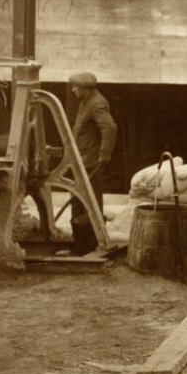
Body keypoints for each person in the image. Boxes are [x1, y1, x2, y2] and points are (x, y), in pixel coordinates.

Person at [68, 71, 116, 255]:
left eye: (76, 87)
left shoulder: (96, 103)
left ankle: (90, 244)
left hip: (91, 162)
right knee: (79, 200)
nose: (73, 90)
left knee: (90, 200)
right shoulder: (86, 102)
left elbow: (110, 128)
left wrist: (103, 155)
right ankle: (81, 245)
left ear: (85, 88)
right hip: (82, 159)